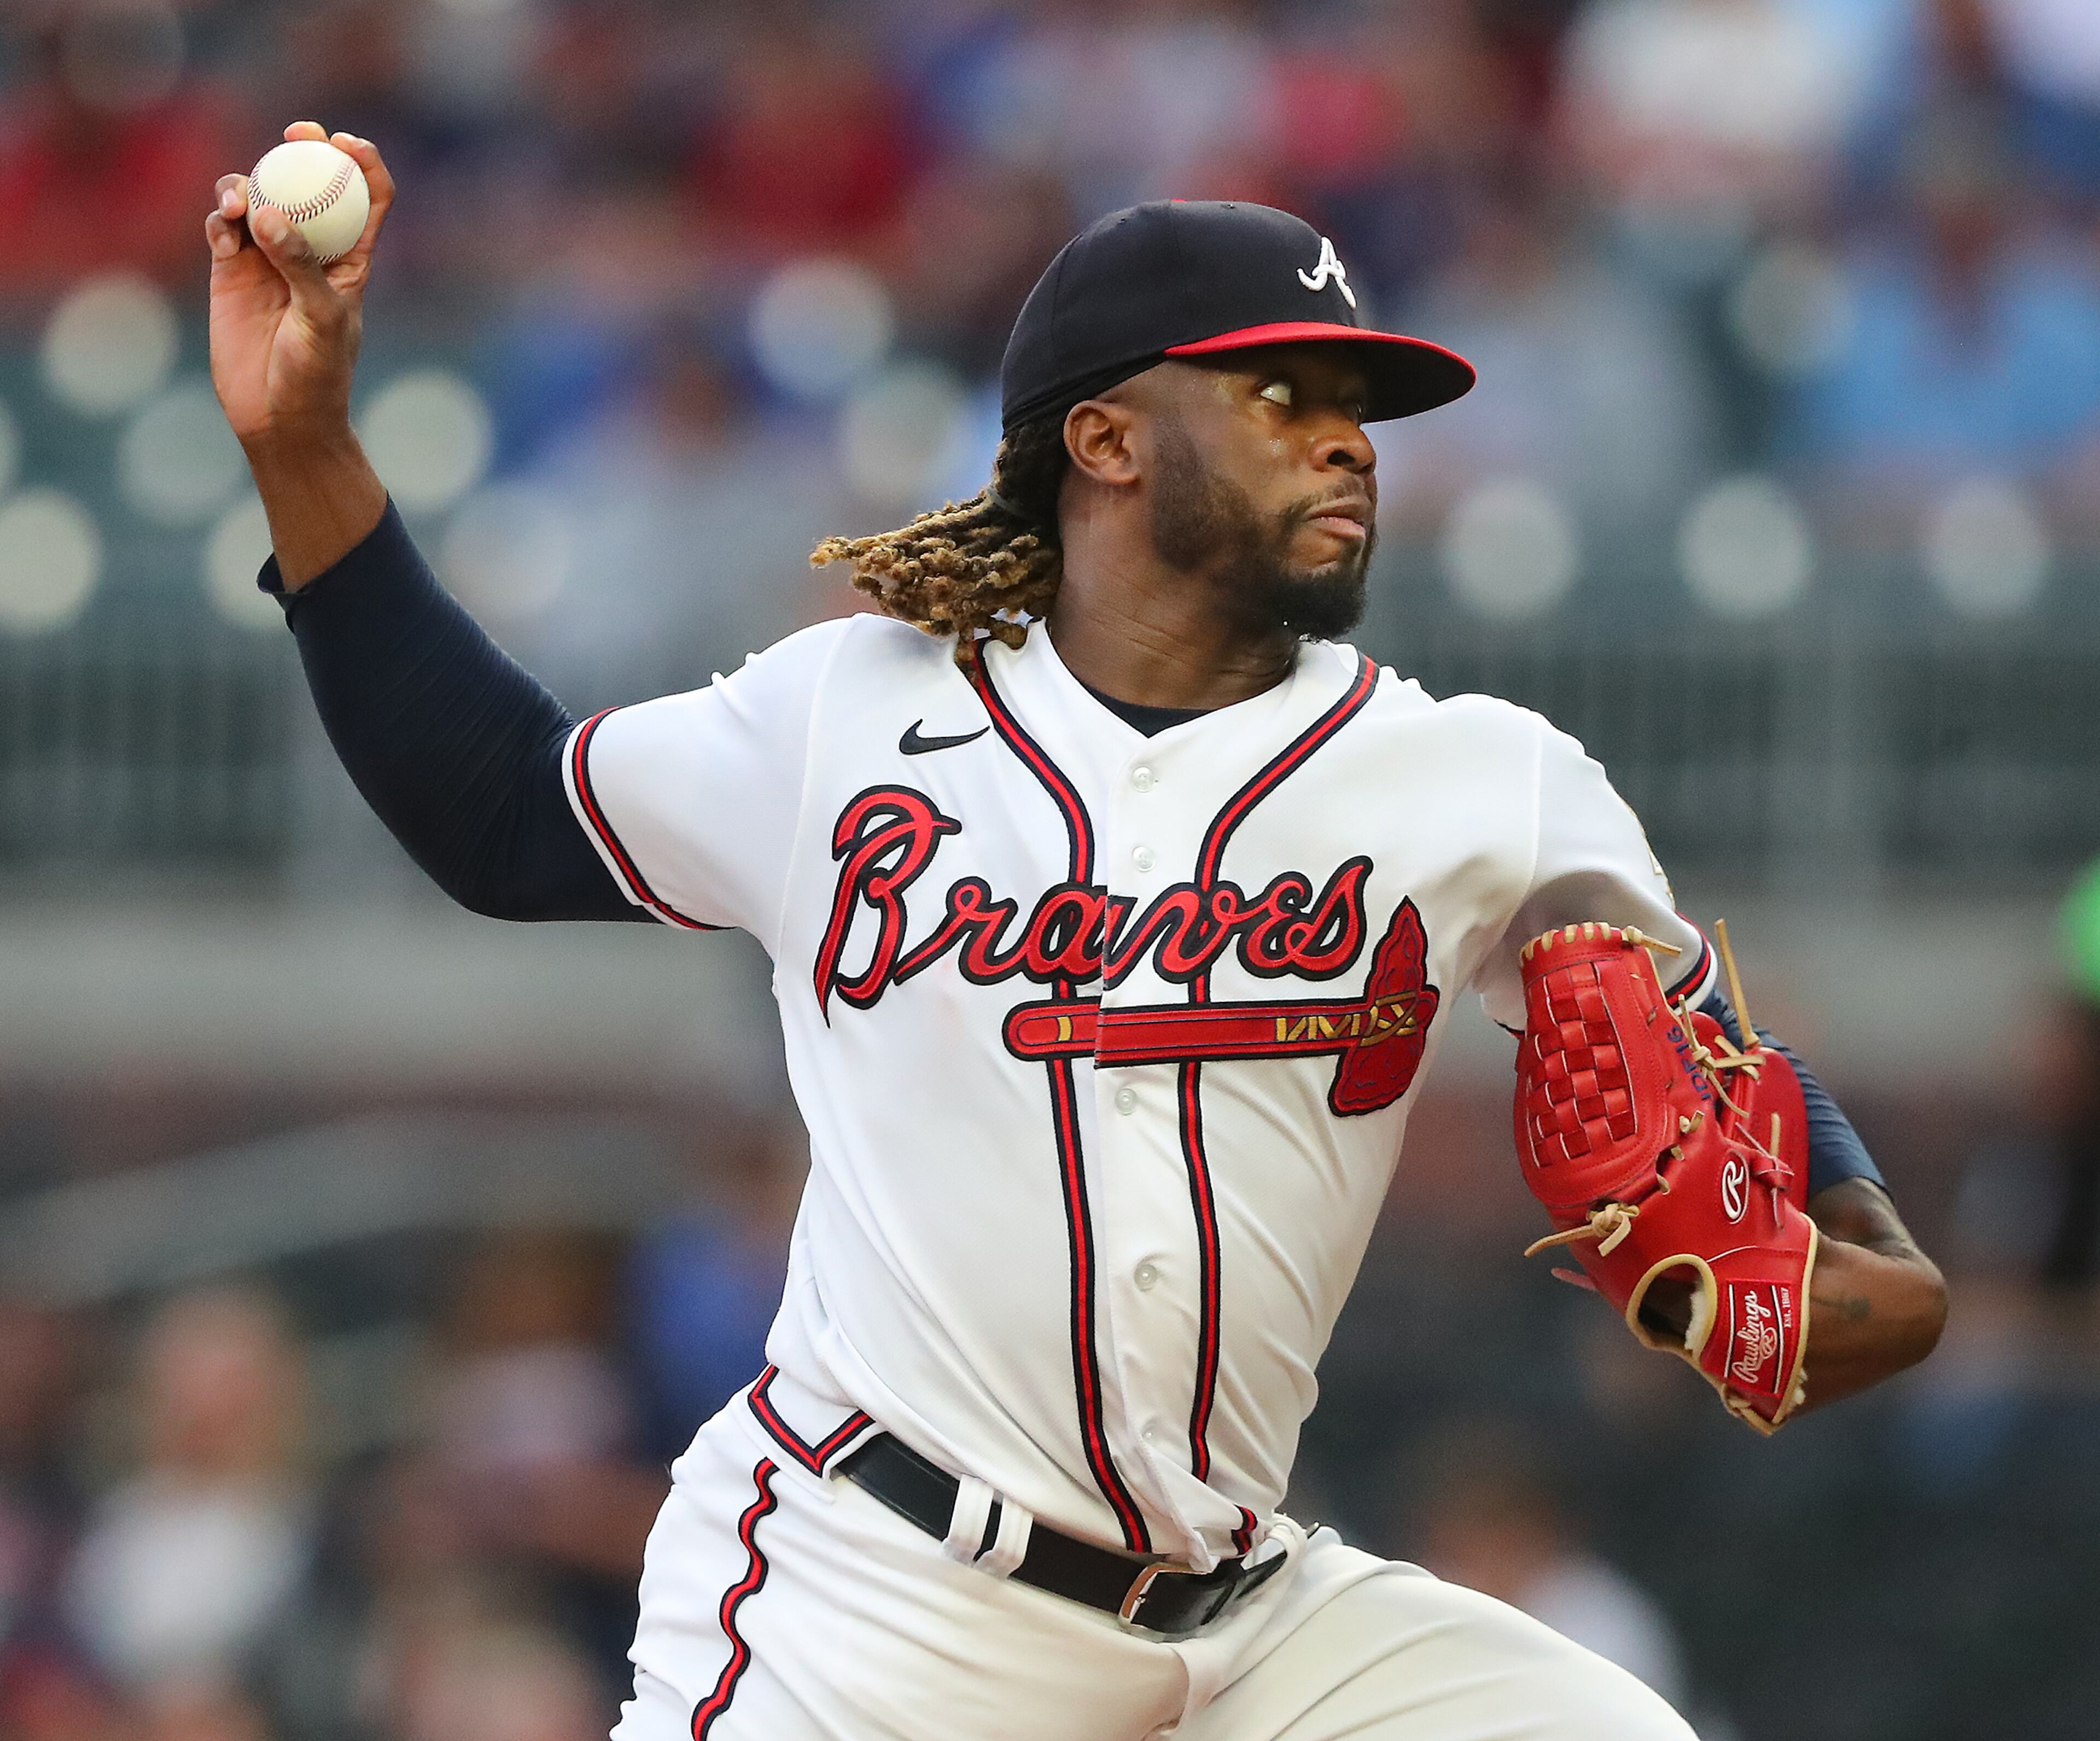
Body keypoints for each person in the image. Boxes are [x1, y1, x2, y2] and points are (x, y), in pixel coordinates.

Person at [205, 124, 1947, 1740]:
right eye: (1281, 394)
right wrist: (302, 449)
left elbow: (1732, 1073)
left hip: (1253, 1618)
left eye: (1356, 403)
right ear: (1105, 441)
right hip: (871, 1594)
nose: (1347, 437)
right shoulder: (854, 720)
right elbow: (504, 809)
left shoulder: (1487, 784)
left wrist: (1865, 1251)